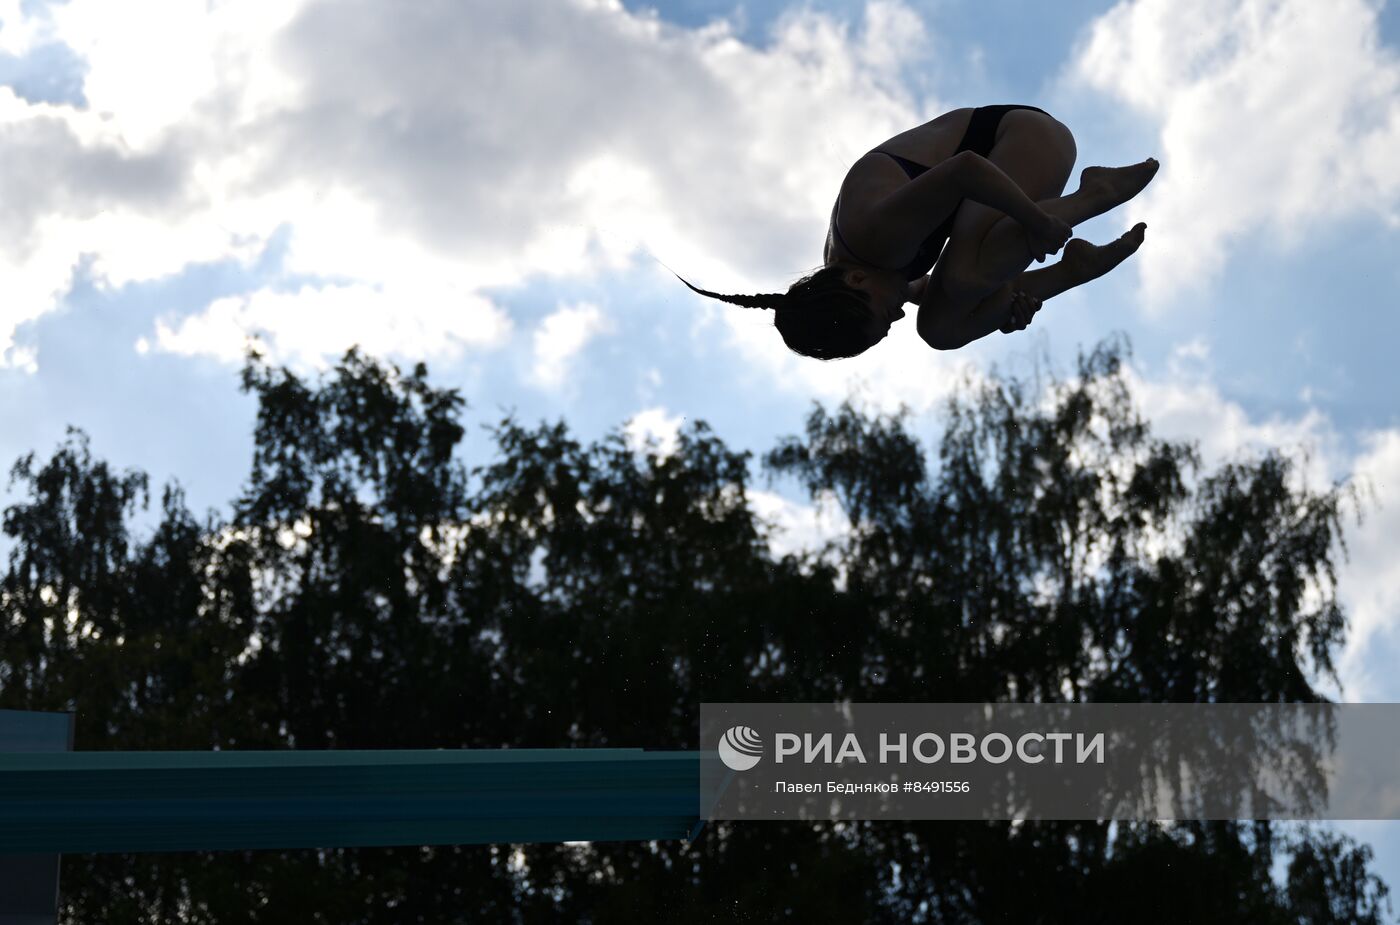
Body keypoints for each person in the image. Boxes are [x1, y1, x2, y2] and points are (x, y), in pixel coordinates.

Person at [677, 104, 1159, 360]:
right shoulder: (863, 269)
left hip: (1024, 138)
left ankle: (1093, 194)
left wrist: (1039, 222)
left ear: (856, 284)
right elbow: (942, 296)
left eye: (886, 316)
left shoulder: (872, 237)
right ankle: (1071, 271)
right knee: (941, 330)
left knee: (968, 276)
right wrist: (999, 311)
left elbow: (966, 169)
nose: (899, 316)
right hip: (1000, 180)